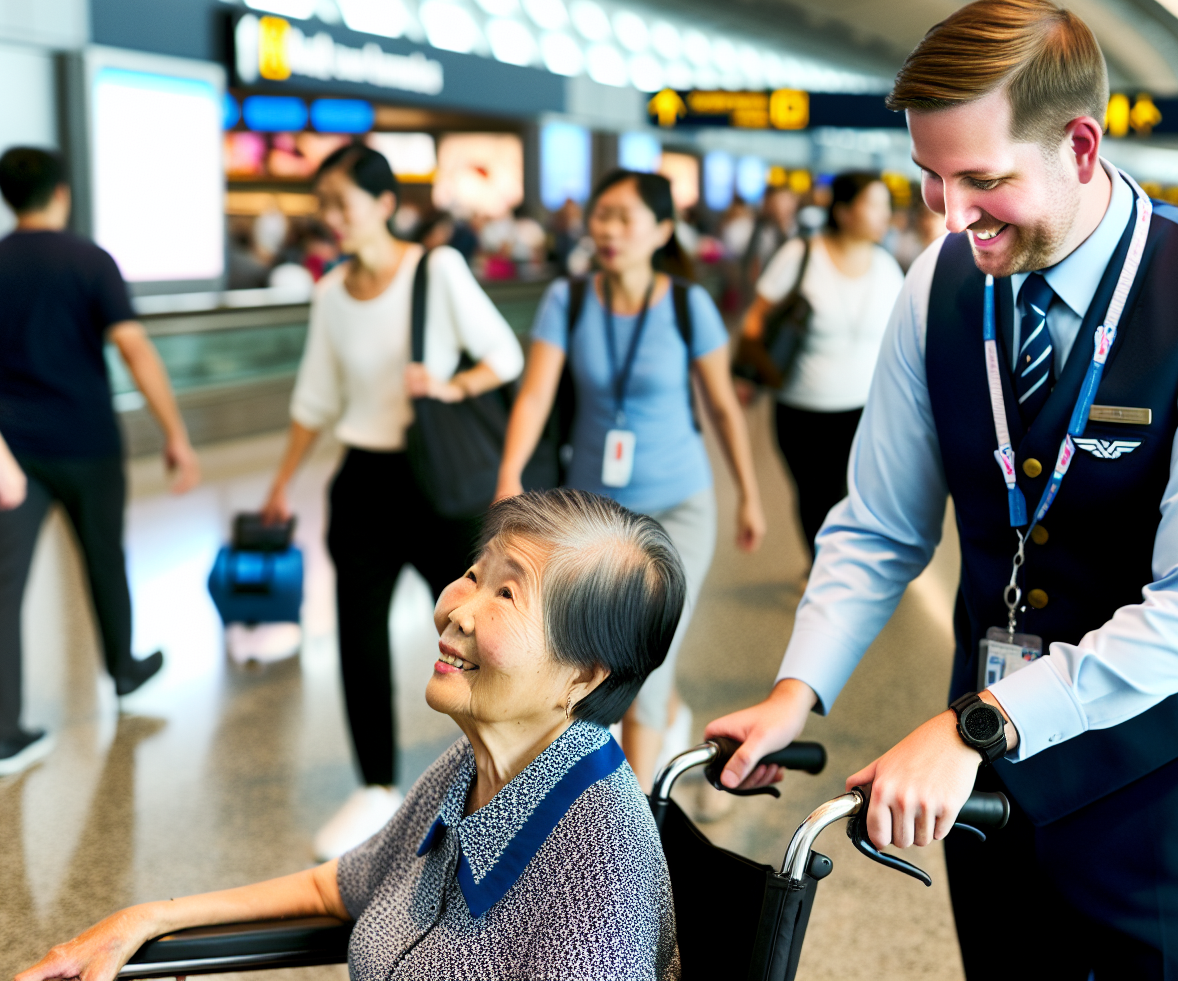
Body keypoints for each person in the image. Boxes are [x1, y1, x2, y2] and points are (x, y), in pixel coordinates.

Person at [708, 0, 1178, 978]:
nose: (950, 214)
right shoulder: (936, 286)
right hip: (993, 789)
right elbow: (879, 524)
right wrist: (794, 689)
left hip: (1172, 790)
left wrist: (977, 724)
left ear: (1077, 145)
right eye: (928, 179)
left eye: (980, 178)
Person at [17, 489, 684, 981]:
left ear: (583, 674)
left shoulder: (601, 869)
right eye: (476, 575)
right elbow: (337, 887)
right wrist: (147, 919)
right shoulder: (476, 766)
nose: (456, 609)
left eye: (507, 596)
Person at [261, 143, 525, 860]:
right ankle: (375, 786)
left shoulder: (434, 269)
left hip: (437, 483)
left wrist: (447, 387)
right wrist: (284, 480)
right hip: (365, 482)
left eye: (342, 203)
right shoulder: (330, 290)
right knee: (357, 630)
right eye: (325, 206)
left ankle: (502, 775)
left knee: (480, 633)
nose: (332, 219)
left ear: (384, 205)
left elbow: (504, 355)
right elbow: (316, 397)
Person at [497, 169, 765, 788]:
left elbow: (723, 405)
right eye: (601, 215)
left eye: (625, 218)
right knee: (586, 658)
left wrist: (749, 493)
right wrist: (510, 471)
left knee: (643, 663)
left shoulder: (684, 303)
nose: (609, 230)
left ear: (662, 230)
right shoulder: (567, 300)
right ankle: (657, 734)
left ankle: (637, 832)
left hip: (679, 508)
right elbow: (535, 395)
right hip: (594, 515)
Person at [0, 146, 201, 778]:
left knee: (0, 582)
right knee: (104, 556)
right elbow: (135, 349)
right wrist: (173, 432)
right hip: (88, 442)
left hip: (7, 453)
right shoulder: (89, 261)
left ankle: (0, 736)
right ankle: (124, 672)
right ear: (61, 193)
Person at [744, 171, 903, 558]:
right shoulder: (801, 255)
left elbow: (904, 339)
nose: (886, 215)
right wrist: (751, 371)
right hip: (801, 410)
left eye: (887, 206)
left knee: (850, 495)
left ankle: (838, 567)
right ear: (845, 211)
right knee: (815, 494)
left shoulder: (886, 268)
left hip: (865, 410)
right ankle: (820, 565)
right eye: (875, 205)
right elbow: (755, 320)